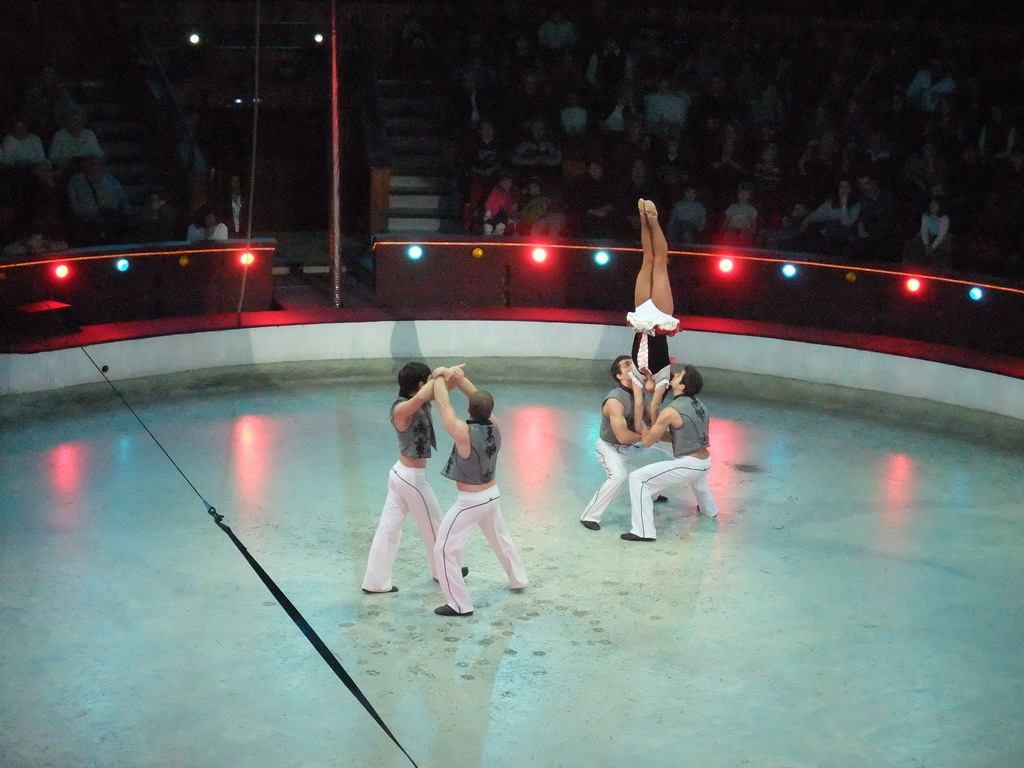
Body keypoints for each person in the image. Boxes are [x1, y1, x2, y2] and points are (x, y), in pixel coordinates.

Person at [361, 362, 471, 595]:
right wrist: (440, 376)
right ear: (420, 383)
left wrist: (450, 375)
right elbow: (422, 396)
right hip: (411, 479)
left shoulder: (418, 397)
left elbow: (435, 391)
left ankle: (375, 582)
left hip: (403, 476)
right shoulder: (400, 409)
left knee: (389, 530)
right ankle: (443, 571)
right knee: (435, 525)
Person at [431, 367, 528, 617]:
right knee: (501, 539)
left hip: (471, 502)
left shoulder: (465, 433)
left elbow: (443, 407)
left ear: (469, 410)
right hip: (492, 495)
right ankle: (518, 578)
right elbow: (477, 398)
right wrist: (460, 380)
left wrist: (440, 377)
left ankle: (459, 604)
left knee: (443, 549)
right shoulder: (496, 425)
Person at [622, 364, 719, 542]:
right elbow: (678, 435)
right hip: (705, 462)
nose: (674, 375)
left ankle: (643, 531)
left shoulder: (672, 411)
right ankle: (709, 509)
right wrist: (656, 431)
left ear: (682, 386)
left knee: (638, 479)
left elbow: (648, 442)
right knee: (699, 482)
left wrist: (645, 428)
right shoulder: (700, 405)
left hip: (690, 464)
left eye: (679, 375)